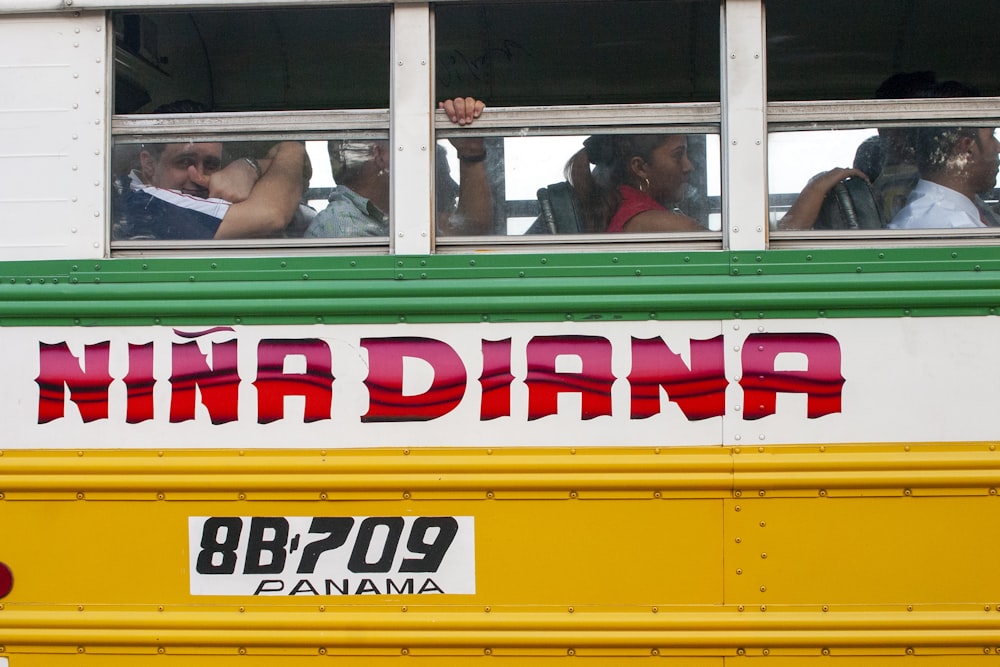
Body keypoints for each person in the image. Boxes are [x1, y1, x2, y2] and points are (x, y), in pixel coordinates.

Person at [115, 101, 309, 241]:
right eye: (184, 162)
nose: (198, 177)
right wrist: (293, 147)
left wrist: (249, 167)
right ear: (149, 164)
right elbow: (272, 215)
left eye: (211, 164)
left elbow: (301, 173)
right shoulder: (141, 202)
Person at [305, 97, 493, 238]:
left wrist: (471, 151)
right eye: (435, 172)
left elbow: (471, 229)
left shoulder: (387, 217)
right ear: (380, 156)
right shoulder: (343, 226)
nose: (452, 187)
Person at [889, 82, 1000, 229]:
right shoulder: (953, 225)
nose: (998, 147)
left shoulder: (951, 208)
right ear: (966, 149)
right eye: (992, 136)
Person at [565, 134, 705, 233]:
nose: (689, 166)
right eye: (678, 155)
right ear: (640, 168)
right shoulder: (661, 225)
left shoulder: (620, 207)